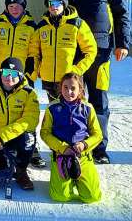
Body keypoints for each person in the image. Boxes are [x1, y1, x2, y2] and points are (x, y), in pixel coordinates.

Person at [55, 0, 131, 164]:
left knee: (98, 99)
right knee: (72, 97)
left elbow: (121, 13)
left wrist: (122, 43)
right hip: (74, 50)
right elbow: (55, 13)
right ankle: (71, 143)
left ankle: (98, 148)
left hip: (101, 50)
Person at [0, 0, 45, 168]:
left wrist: (30, 76)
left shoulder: (31, 26)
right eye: (11, 6)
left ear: (24, 6)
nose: (14, 9)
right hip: (0, 76)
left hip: (21, 78)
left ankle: (31, 146)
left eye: (18, 6)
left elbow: (34, 53)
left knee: (25, 111)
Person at [40, 72, 103, 203]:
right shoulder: (52, 108)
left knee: (92, 197)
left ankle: (80, 179)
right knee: (60, 196)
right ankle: (67, 180)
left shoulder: (87, 108)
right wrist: (62, 147)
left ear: (80, 89)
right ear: (60, 88)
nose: (69, 92)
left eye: (73, 88)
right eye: (65, 87)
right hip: (61, 156)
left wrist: (84, 145)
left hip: (82, 156)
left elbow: (98, 134)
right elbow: (44, 133)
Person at [0, 58, 39, 192]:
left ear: (20, 75)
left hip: (16, 137)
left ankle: (21, 171)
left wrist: (4, 135)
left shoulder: (29, 93)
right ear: (0, 73)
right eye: (6, 72)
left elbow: (30, 120)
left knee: (29, 138)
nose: (9, 77)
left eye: (14, 73)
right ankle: (0, 161)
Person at [29, 0, 97, 103]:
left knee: (75, 113)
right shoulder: (42, 26)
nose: (54, 6)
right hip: (49, 80)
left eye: (57, 2)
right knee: (55, 113)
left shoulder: (77, 24)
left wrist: (77, 70)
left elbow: (91, 50)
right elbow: (34, 52)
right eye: (51, 3)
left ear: (64, 4)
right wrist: (35, 72)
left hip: (71, 80)